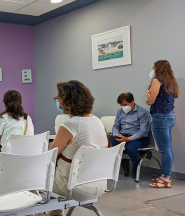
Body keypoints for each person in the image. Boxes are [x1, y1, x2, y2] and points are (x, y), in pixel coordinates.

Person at [48, 81, 108, 216]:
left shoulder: (69, 125)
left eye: (58, 98)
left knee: (32, 180)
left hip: (73, 187)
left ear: (66, 100)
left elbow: (48, 157)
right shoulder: (97, 121)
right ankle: (54, 214)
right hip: (99, 185)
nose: (57, 101)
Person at [146, 60, 178, 188]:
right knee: (167, 149)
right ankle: (165, 175)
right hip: (170, 116)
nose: (152, 69)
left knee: (165, 150)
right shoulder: (170, 82)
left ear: (157, 68)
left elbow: (150, 101)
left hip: (160, 117)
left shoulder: (156, 80)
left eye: (153, 67)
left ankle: (165, 178)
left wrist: (148, 96)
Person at [110, 92, 151, 177]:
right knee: (108, 143)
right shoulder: (120, 112)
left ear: (132, 102)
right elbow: (116, 126)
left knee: (130, 148)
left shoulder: (143, 113)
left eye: (125, 105)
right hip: (122, 135)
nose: (123, 107)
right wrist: (116, 134)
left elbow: (143, 131)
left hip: (138, 137)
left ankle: (135, 167)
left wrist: (128, 139)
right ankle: (123, 161)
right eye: (122, 105)